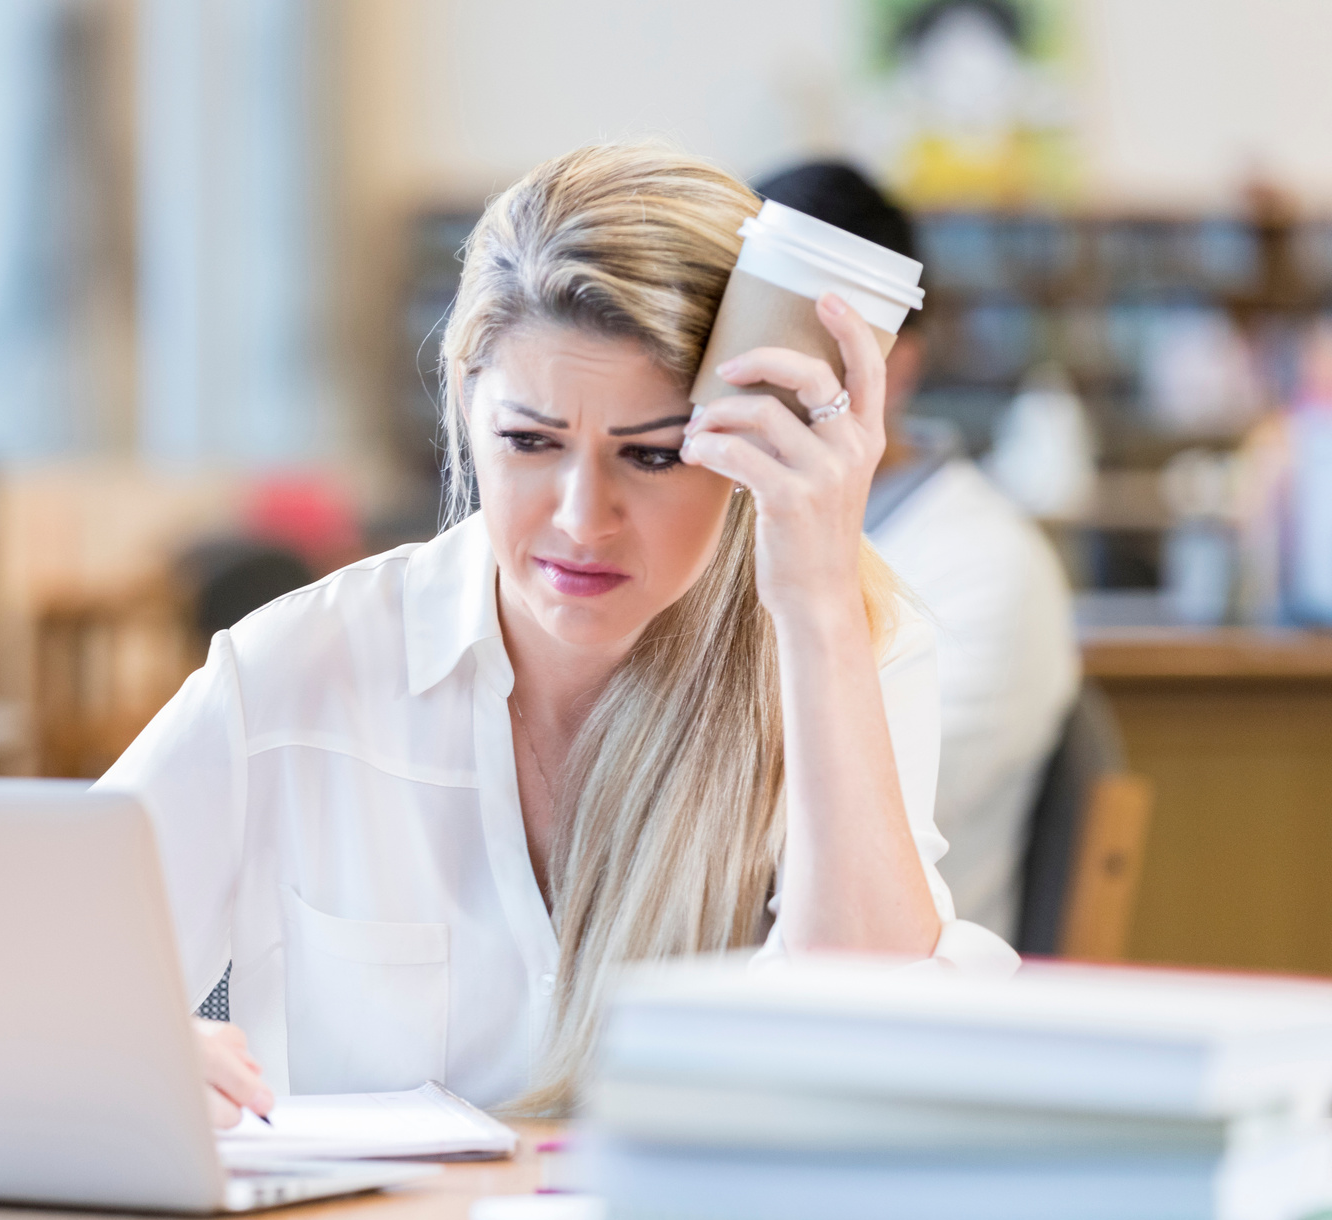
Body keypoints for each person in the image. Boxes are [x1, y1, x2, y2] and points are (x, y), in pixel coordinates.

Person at [99, 144, 1017, 1126]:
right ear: (467, 408)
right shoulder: (299, 669)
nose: (583, 519)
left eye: (654, 456)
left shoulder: (846, 650)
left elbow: (870, 1052)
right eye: (531, 442)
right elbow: (27, 980)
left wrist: (817, 601)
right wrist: (127, 1055)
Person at [753, 160, 1079, 944]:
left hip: (897, 985)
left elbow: (856, 822)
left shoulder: (988, 566)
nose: (744, 372)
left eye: (789, 336)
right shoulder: (713, 522)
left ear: (893, 363)